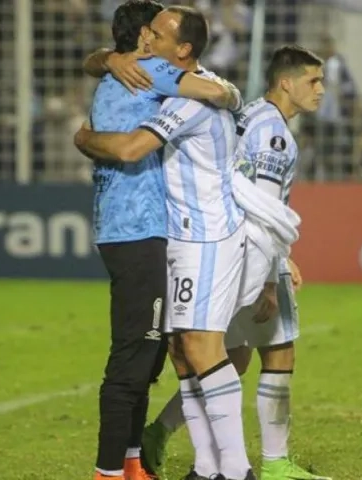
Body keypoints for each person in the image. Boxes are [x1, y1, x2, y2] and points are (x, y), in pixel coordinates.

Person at [75, 6, 255, 480]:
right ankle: (124, 470)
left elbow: (132, 141)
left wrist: (86, 135)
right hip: (146, 231)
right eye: (149, 30)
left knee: (173, 348)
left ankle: (177, 465)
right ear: (139, 36)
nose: (151, 38)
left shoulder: (146, 76)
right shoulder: (151, 71)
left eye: (159, 32)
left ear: (182, 48)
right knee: (151, 352)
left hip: (175, 232)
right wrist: (231, 94)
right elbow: (214, 94)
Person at [137, 45, 332, 480]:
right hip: (247, 255)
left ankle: (171, 440)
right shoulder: (274, 136)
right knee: (278, 351)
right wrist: (271, 276)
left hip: (223, 248)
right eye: (313, 81)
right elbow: (263, 211)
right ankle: (274, 463)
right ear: (286, 83)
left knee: (229, 357)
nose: (321, 90)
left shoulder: (251, 115)